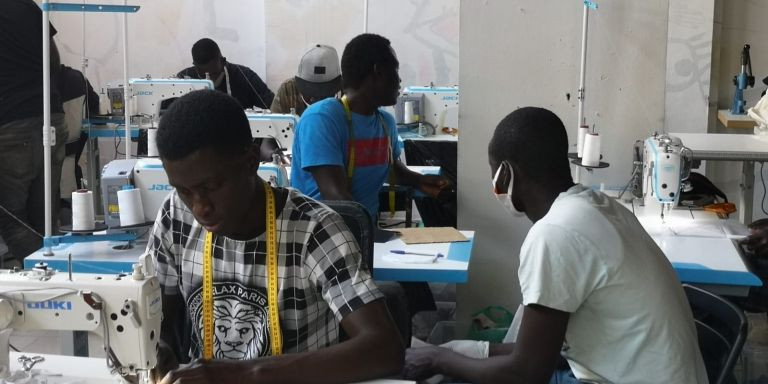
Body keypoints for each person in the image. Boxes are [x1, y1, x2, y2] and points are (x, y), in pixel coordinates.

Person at [403, 107, 708, 384]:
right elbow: (545, 349)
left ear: (507, 173)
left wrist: (440, 357)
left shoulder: (555, 233)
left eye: (494, 174)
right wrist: (475, 350)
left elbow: (526, 373)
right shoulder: (601, 207)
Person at [147, 90, 403, 383]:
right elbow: (160, 318)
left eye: (214, 185)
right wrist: (158, 349)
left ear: (251, 161)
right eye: (184, 190)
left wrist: (244, 374)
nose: (199, 207)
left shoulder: (315, 231)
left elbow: (385, 349)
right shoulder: (175, 215)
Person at [291, 33, 449, 219]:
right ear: (378, 72)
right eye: (395, 71)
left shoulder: (384, 122)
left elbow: (390, 167)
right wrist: (374, 238)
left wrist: (420, 180)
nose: (399, 80)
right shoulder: (322, 119)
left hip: (362, 232)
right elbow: (336, 198)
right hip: (321, 236)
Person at [0, 0, 67, 264]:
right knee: (46, 219)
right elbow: (54, 60)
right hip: (52, 118)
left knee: (11, 217)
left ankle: (46, 279)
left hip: (13, 126)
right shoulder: (25, 5)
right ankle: (59, 288)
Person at [177, 38, 274, 110]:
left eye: (214, 74)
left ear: (223, 61)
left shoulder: (245, 76)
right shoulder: (183, 78)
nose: (209, 79)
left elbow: (272, 107)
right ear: (195, 66)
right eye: (203, 75)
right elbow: (165, 114)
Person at [270, 44, 342, 116]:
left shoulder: (348, 92)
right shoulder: (288, 90)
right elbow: (274, 123)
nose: (318, 95)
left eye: (325, 89)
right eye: (312, 89)